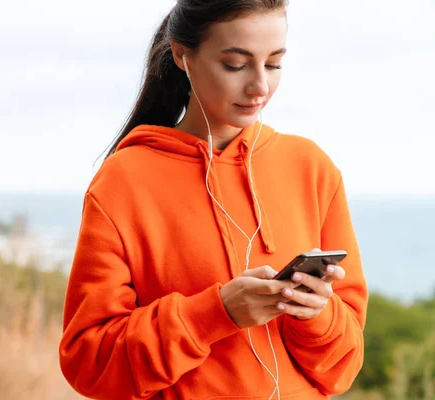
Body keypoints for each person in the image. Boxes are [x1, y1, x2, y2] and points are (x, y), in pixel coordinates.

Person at [59, 1, 368, 399]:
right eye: (236, 65)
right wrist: (215, 314)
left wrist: (316, 316)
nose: (260, 86)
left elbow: (343, 369)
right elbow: (91, 364)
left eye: (273, 64)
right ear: (183, 56)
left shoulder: (311, 168)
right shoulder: (124, 181)